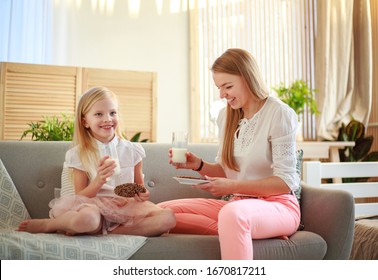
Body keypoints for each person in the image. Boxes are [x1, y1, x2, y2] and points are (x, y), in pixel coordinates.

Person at [158, 48, 301, 260]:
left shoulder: (279, 114)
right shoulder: (226, 116)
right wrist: (198, 165)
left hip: (278, 206)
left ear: (248, 79)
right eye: (219, 88)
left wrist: (233, 187)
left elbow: (285, 181)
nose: (221, 95)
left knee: (232, 215)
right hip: (237, 206)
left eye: (228, 86)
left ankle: (253, 228)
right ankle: (252, 232)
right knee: (161, 213)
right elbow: (227, 172)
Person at [18, 86, 175, 237]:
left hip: (125, 207)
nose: (107, 119)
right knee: (88, 219)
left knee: (168, 219)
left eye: (112, 113)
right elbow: (80, 196)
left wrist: (142, 194)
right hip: (93, 206)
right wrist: (98, 181)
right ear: (85, 121)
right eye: (99, 114)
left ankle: (101, 232)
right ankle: (49, 225)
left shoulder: (133, 151)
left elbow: (139, 187)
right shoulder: (79, 154)